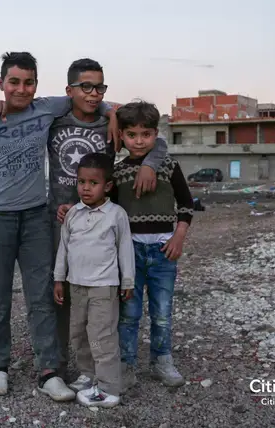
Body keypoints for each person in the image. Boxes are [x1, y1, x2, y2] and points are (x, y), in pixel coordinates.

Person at [0, 58, 168, 378]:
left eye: (99, 87)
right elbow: (18, 114)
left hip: (100, 223)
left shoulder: (110, 121)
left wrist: (149, 163)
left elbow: (157, 139)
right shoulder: (53, 119)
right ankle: (56, 363)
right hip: (58, 219)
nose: (93, 93)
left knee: (100, 292)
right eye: (86, 86)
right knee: (57, 290)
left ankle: (100, 363)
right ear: (70, 89)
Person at [0, 52, 117, 401]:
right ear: (1, 83)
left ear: (36, 84)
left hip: (34, 217)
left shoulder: (45, 109)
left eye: (28, 82)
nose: (21, 89)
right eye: (14, 82)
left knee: (42, 295)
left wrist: (113, 113)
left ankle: (50, 371)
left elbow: (90, 97)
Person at [110, 101, 194, 389]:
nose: (139, 141)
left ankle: (162, 361)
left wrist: (179, 236)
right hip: (129, 253)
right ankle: (127, 365)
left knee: (161, 312)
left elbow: (186, 205)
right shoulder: (118, 173)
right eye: (131, 135)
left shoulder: (169, 167)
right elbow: (109, 212)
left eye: (145, 134)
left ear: (155, 134)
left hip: (163, 251)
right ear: (122, 136)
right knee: (129, 314)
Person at [52, 152, 135, 408]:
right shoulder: (72, 215)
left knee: (102, 337)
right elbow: (63, 249)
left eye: (93, 183)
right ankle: (88, 376)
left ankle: (109, 388)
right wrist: (58, 279)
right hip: (76, 286)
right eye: (81, 182)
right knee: (79, 334)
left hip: (103, 288)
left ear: (107, 186)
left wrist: (127, 281)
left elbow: (125, 249)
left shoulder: (116, 215)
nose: (86, 188)